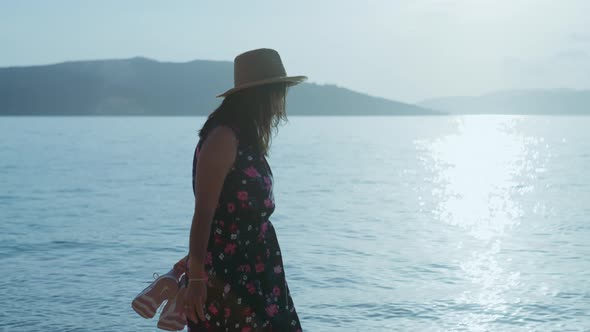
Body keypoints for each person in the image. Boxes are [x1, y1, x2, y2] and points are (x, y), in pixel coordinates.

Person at [132, 48, 306, 331]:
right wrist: (197, 280)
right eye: (278, 91)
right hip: (228, 277)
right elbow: (204, 213)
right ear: (260, 95)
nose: (281, 100)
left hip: (258, 271)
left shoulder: (246, 138)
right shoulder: (223, 138)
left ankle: (173, 283)